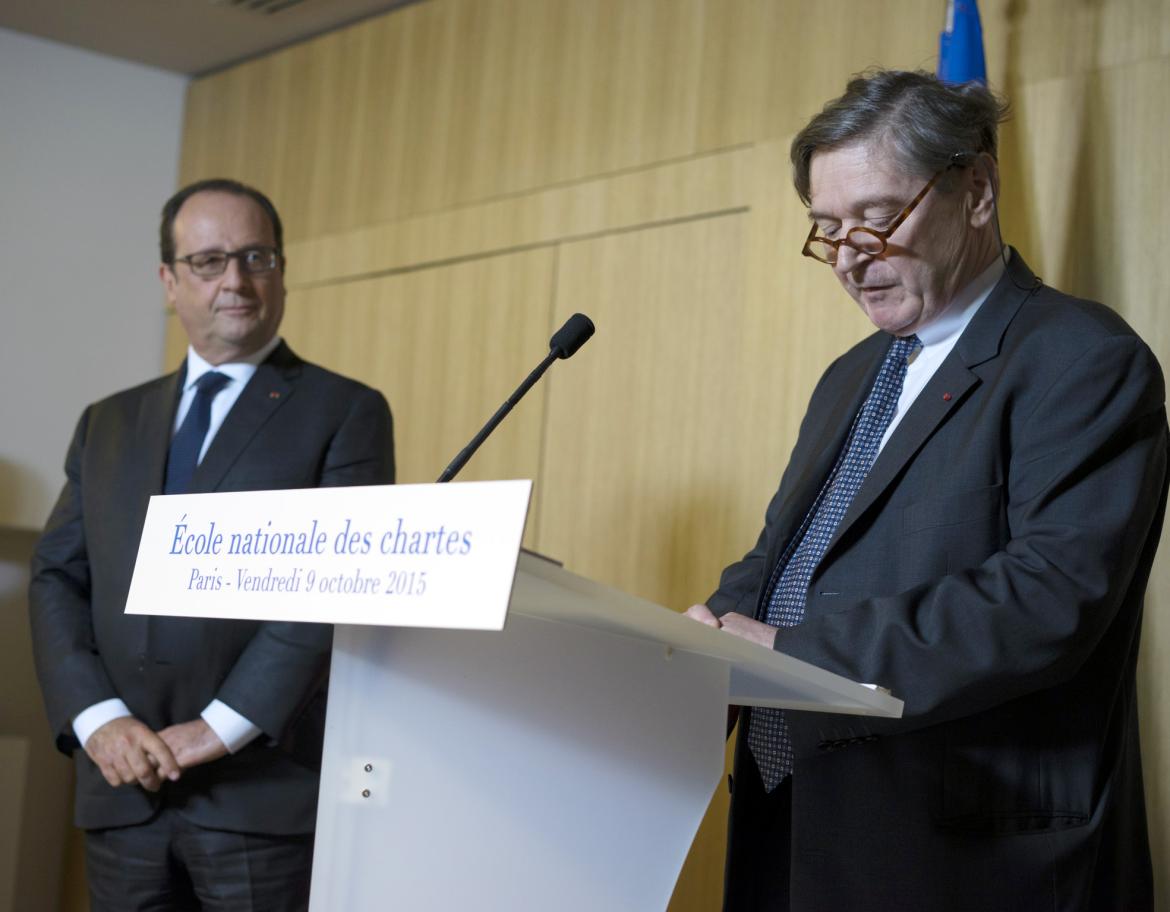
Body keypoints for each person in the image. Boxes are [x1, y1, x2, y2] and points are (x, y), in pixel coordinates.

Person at [685, 70, 1165, 912]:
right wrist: (697, 643)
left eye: (876, 221)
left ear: (975, 190)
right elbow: (785, 560)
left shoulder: (1081, 357)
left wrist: (793, 661)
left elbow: (1049, 598)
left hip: (959, 855)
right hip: (792, 820)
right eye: (825, 230)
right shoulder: (851, 374)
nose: (846, 257)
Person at [29, 178, 395, 911]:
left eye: (256, 256)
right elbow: (56, 580)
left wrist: (219, 730)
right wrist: (100, 723)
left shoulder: (345, 411)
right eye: (209, 260)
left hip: (258, 797)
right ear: (169, 281)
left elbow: (334, 589)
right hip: (121, 787)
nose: (236, 279)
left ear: (281, 270)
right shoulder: (106, 422)